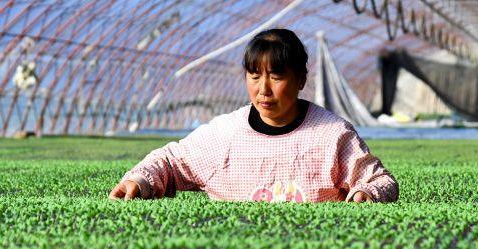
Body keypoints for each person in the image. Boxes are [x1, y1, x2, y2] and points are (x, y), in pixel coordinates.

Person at [110, 29, 397, 203]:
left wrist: (367, 194)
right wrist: (140, 181)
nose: (264, 89)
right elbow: (171, 161)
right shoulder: (225, 134)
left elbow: (380, 181)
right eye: (255, 75)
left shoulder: (332, 135)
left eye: (276, 76)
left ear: (300, 79)